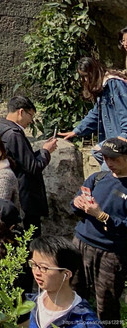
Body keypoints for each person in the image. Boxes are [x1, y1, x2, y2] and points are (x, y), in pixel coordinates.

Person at [71, 135, 127, 322]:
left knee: (107, 307)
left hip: (110, 253)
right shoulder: (97, 178)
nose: (109, 162)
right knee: (74, 297)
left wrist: (102, 216)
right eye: (105, 157)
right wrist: (77, 203)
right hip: (81, 243)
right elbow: (75, 205)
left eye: (114, 159)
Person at [0, 95, 59, 233]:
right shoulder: (14, 134)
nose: (31, 120)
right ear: (21, 112)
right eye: (31, 115)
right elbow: (32, 166)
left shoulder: (0, 128)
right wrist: (46, 152)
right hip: (24, 195)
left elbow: (22, 159)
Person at [62, 57, 127, 165]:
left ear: (94, 71)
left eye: (87, 76)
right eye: (83, 77)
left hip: (121, 141)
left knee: (107, 171)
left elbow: (124, 112)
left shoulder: (114, 84)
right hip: (115, 141)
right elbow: (96, 113)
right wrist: (76, 131)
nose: (86, 80)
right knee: (97, 152)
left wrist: (123, 136)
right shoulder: (103, 87)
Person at [27, 236, 102, 328]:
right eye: (34, 264)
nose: (36, 272)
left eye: (44, 268)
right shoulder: (33, 303)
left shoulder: (84, 321)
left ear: (66, 274)